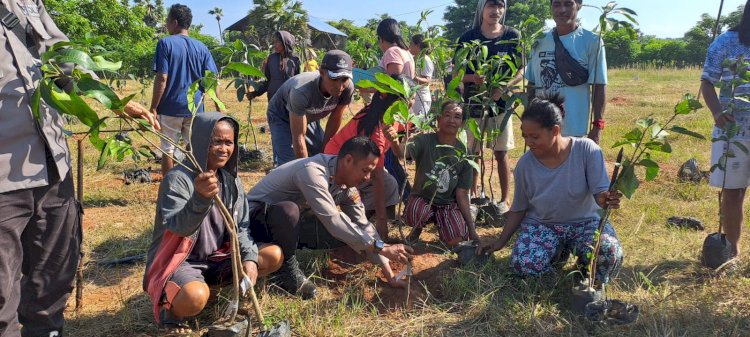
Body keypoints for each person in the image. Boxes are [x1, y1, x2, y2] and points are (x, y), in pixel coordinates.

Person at [0, 1, 159, 336]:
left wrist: (111, 100)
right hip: (4, 176)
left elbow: (61, 57)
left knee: (54, 276)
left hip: (53, 166)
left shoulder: (29, 3)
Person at [143, 113, 283, 334]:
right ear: (200, 141)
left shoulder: (230, 180)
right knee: (195, 297)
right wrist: (200, 199)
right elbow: (178, 227)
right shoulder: (178, 179)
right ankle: (172, 313)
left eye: (229, 142)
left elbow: (241, 226)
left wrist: (248, 257)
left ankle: (212, 286)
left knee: (271, 255)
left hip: (218, 256)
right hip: (183, 261)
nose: (223, 149)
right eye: (216, 142)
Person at [477, 94, 623, 286]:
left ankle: (584, 268)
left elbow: (599, 193)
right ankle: (557, 252)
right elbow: (519, 208)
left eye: (535, 136)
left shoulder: (587, 150)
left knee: (608, 251)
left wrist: (606, 199)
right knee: (524, 264)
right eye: (525, 136)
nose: (529, 142)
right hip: (544, 225)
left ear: (555, 130)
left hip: (585, 223)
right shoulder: (525, 166)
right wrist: (501, 241)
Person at [246, 137, 414, 299]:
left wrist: (389, 274)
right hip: (254, 222)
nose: (368, 178)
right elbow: (333, 220)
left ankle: (284, 252)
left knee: (349, 234)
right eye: (365, 170)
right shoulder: (312, 171)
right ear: (348, 160)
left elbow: (364, 226)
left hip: (286, 226)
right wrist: (382, 248)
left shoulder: (348, 188)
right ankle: (287, 268)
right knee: (289, 211)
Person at [455, 0, 520, 213]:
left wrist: (503, 87)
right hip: (474, 103)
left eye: (500, 5)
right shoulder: (467, 38)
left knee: (501, 152)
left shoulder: (513, 36)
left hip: (501, 105)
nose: (496, 10)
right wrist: (472, 77)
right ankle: (473, 197)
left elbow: (522, 69)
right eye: (491, 5)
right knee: (473, 152)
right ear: (482, 8)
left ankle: (503, 200)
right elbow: (456, 74)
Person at [700, 0, 750, 259]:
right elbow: (707, 81)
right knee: (733, 191)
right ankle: (732, 252)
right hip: (734, 131)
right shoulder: (726, 42)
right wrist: (717, 112)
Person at [150, 4, 220, 176]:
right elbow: (213, 80)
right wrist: (219, 107)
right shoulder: (202, 47)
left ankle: (169, 188)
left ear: (174, 22)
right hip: (195, 109)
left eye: (167, 21)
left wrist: (153, 107)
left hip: (170, 107)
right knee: (194, 148)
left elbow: (162, 78)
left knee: (168, 149)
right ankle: (196, 184)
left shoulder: (165, 43)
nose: (166, 24)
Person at [525, 0, 608, 144]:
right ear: (551, 8)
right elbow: (532, 84)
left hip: (575, 130)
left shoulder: (592, 41)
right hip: (542, 128)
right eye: (556, 4)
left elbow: (599, 85)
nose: (562, 10)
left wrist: (597, 126)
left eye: (568, 4)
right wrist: (529, 120)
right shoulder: (538, 41)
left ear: (579, 6)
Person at [324, 91, 403, 238]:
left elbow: (401, 155)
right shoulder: (375, 129)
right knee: (377, 184)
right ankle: (363, 225)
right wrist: (382, 221)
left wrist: (394, 141)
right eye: (406, 100)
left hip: (358, 164)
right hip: (338, 166)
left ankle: (366, 221)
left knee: (390, 184)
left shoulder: (392, 119)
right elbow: (377, 177)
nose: (410, 104)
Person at [404, 101, 479, 246]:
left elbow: (462, 193)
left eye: (457, 117)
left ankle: (444, 225)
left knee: (457, 238)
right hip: (424, 198)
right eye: (447, 115)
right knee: (415, 212)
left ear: (462, 123)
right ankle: (416, 230)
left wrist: (472, 229)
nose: (451, 120)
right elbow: (404, 152)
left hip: (448, 204)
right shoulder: (424, 140)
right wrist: (395, 142)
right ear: (438, 119)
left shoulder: (465, 154)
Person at [265, 50, 354, 166]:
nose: (339, 86)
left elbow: (335, 118)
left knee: (319, 153)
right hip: (281, 115)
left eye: (344, 79)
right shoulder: (302, 91)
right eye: (334, 79)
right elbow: (298, 135)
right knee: (289, 163)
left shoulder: (348, 88)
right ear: (321, 72)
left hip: (307, 114)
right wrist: (306, 171)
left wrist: (325, 153)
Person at [248, 31, 301, 101]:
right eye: (274, 42)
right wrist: (254, 94)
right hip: (273, 98)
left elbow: (297, 82)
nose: (274, 44)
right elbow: (267, 82)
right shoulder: (271, 58)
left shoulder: (295, 60)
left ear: (285, 42)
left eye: (277, 42)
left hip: (288, 100)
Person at [409, 34, 435, 122]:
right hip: (414, 98)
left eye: (411, 44)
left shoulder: (425, 59)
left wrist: (413, 77)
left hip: (421, 99)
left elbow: (427, 81)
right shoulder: (414, 59)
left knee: (419, 127)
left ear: (418, 45)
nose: (409, 46)